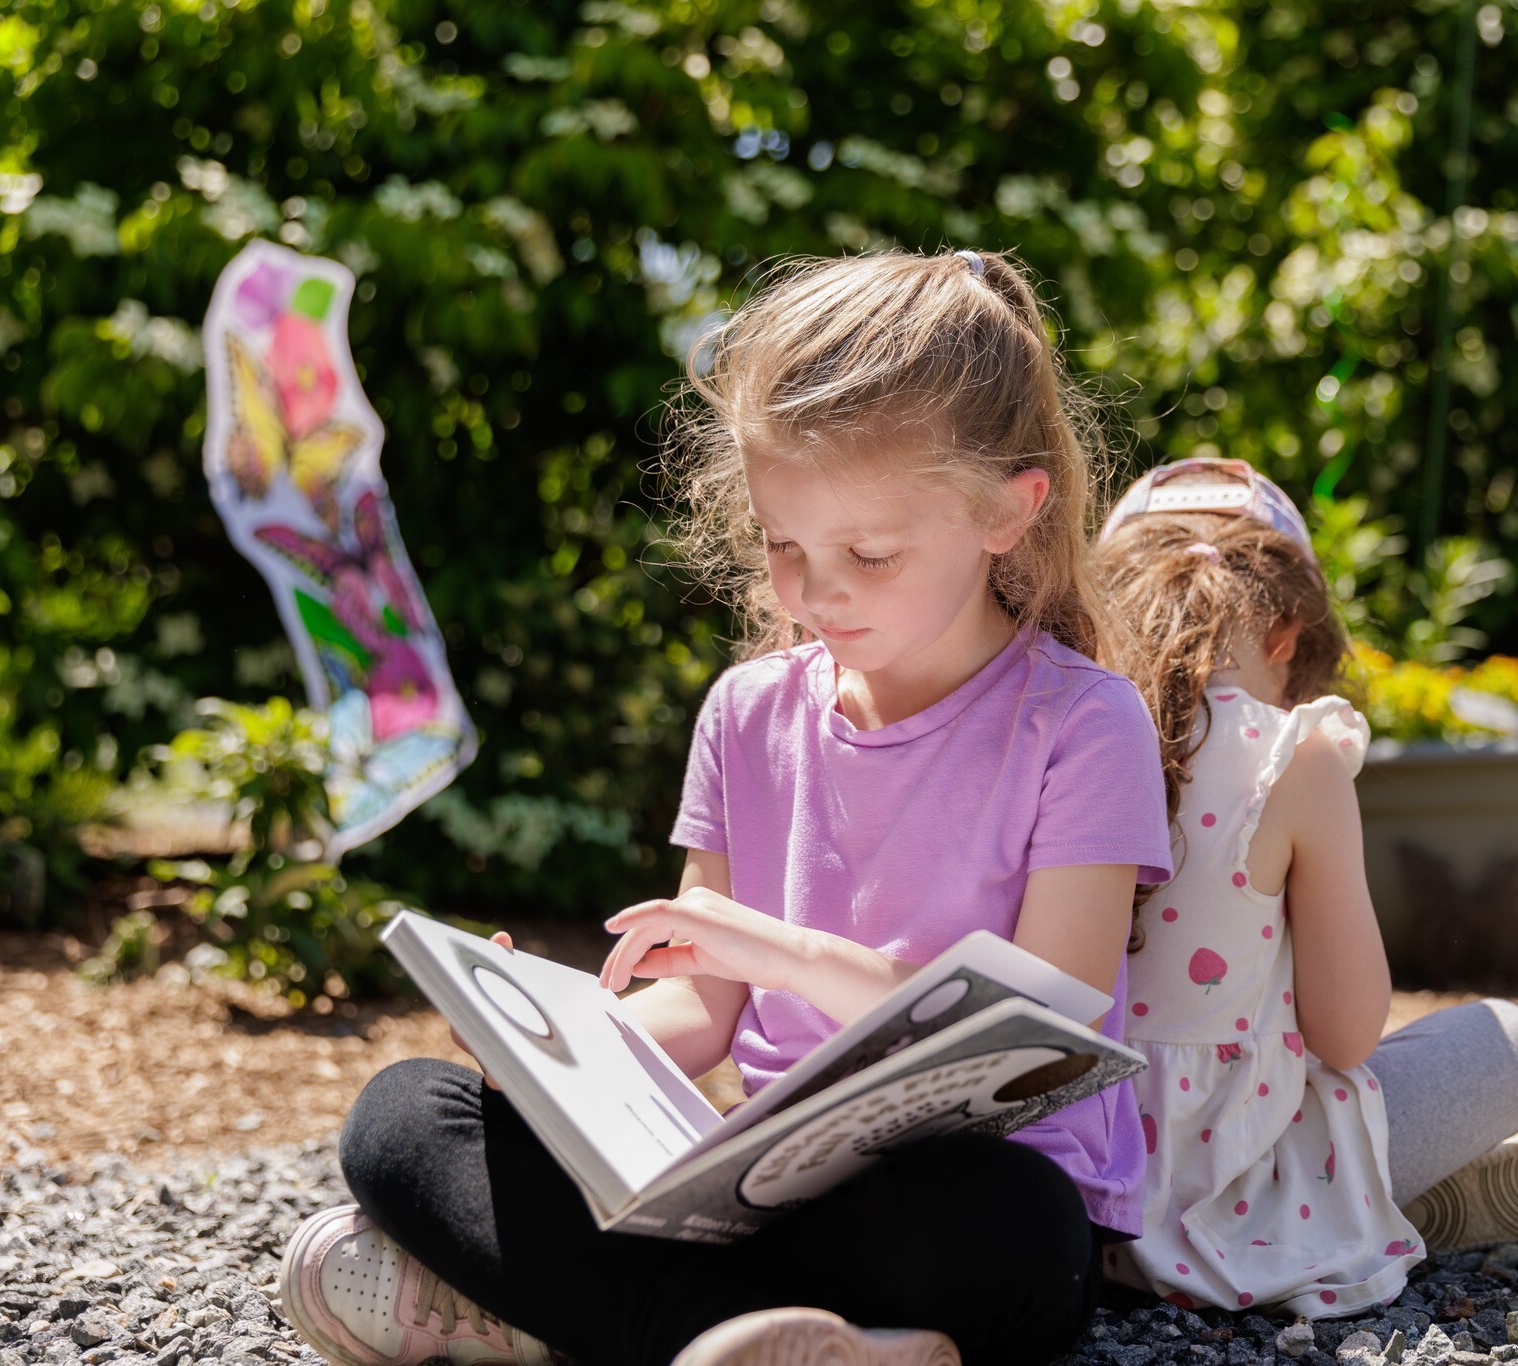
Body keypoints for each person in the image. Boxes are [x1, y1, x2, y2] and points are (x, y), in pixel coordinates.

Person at [276, 250, 1173, 1366]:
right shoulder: (750, 711)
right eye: (783, 546)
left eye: (869, 553)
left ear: (1007, 509)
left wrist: (787, 954)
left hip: (964, 1193)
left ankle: (597, 1319)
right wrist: (552, 1053)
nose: (816, 590)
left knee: (1003, 1225)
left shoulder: (1084, 723)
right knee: (405, 1116)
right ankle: (756, 1341)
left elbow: (1051, 1023)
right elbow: (699, 1011)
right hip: (757, 1190)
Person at [1092, 458, 1518, 1319]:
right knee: (1508, 1042)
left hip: (1084, 1194)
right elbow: (1346, 1037)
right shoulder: (1294, 758)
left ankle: (1371, 1212)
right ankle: (1373, 1212)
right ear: (1288, 636)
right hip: (1248, 1189)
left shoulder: (1061, 741)